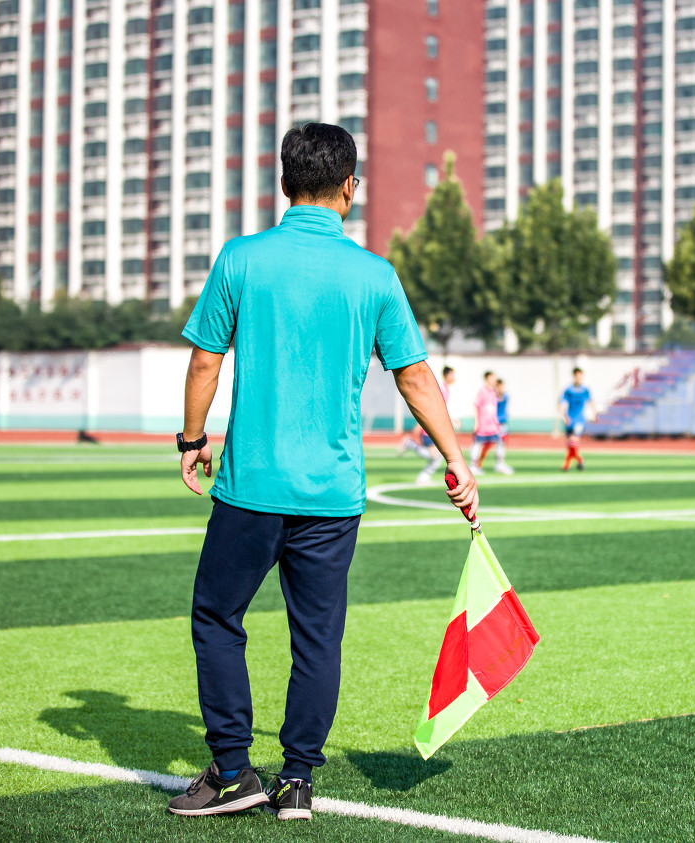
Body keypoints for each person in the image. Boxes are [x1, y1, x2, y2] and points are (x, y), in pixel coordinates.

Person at [169, 123, 477, 822]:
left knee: (218, 616)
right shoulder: (374, 274)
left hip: (251, 486)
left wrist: (192, 439)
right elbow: (416, 377)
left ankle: (231, 769)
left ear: (284, 183)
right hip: (334, 494)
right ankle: (298, 779)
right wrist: (457, 460)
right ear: (350, 187)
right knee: (317, 636)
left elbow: (204, 361)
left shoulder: (241, 259)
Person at [398, 365, 457, 484]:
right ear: (446, 375)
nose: (454, 377)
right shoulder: (442, 390)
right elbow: (434, 408)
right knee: (436, 456)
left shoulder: (445, 389)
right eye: (452, 374)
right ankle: (410, 444)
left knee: (438, 456)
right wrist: (421, 424)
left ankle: (423, 476)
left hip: (435, 427)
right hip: (431, 428)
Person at [470, 371, 509, 475]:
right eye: (492, 377)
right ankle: (473, 466)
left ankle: (500, 464)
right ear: (487, 378)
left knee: (500, 443)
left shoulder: (494, 391)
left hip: (493, 425)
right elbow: (476, 405)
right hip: (483, 424)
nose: (494, 379)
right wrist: (476, 422)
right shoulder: (482, 391)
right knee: (478, 444)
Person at [560, 368, 592, 471]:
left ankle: (566, 465)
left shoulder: (585, 390)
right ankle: (580, 460)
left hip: (580, 420)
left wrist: (594, 414)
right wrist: (564, 416)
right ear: (574, 376)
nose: (579, 378)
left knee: (573, 441)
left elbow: (591, 402)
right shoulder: (568, 390)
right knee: (570, 444)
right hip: (570, 420)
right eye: (577, 376)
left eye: (581, 376)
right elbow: (561, 404)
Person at [493, 378, 514, 475]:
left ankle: (500, 463)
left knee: (502, 443)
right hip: (494, 424)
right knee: (486, 444)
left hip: (502, 424)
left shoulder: (506, 396)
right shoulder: (493, 397)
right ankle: (476, 464)